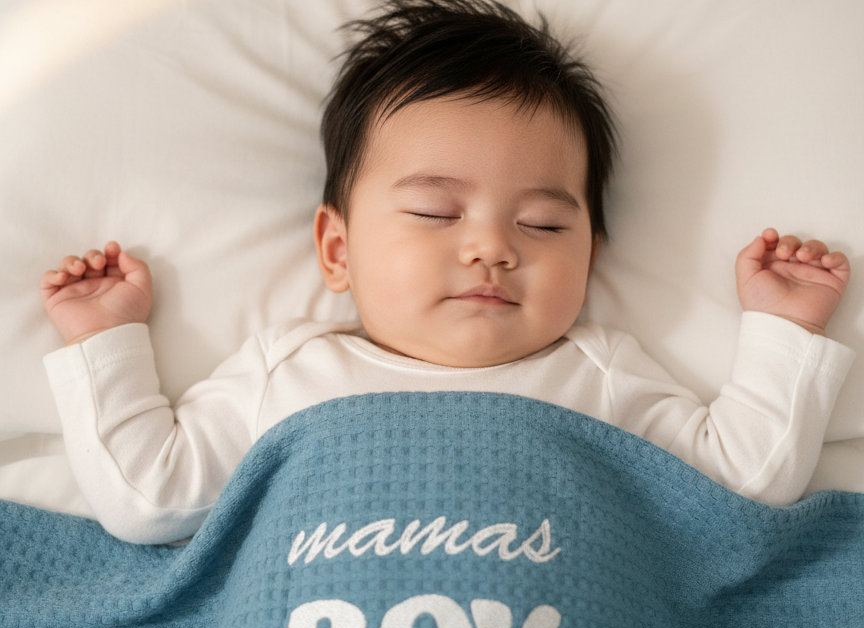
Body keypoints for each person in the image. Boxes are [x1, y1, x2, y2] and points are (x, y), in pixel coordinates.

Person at [39, 0, 853, 544]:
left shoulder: (599, 377)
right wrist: (106, 340)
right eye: (435, 213)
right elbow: (148, 499)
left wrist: (784, 328)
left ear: (590, 260)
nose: (490, 248)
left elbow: (742, 488)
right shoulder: (287, 375)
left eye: (544, 224)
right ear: (337, 250)